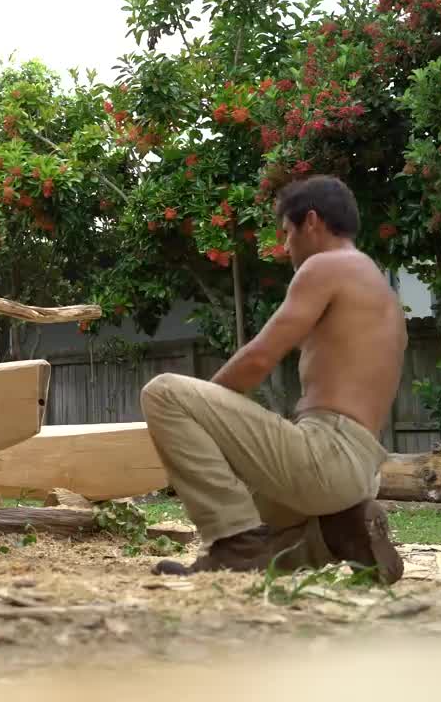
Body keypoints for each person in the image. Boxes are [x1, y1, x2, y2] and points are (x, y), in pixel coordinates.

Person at [140, 175, 406, 584]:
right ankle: (339, 534)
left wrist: (199, 412)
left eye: (287, 234)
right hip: (357, 471)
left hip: (326, 455)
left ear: (311, 221)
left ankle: (235, 544)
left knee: (164, 394)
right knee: (251, 511)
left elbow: (259, 359)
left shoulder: (326, 265)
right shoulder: (379, 288)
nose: (285, 248)